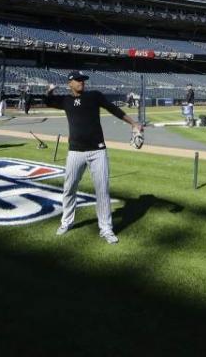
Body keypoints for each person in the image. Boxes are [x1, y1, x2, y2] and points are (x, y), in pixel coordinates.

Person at [46, 71, 143, 245]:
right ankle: (66, 222)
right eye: (78, 80)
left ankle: (106, 228)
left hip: (98, 151)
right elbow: (48, 101)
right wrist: (49, 91)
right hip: (75, 151)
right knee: (69, 188)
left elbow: (114, 109)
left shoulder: (94, 96)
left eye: (83, 80)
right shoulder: (65, 101)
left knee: (102, 190)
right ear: (70, 83)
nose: (82, 82)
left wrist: (133, 123)